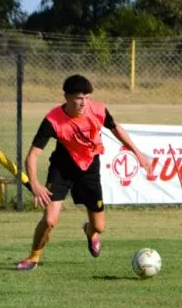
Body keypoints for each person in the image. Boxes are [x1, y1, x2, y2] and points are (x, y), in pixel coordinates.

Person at [15, 74, 150, 270]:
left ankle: (89, 232)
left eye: (87, 97)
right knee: (50, 220)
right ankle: (34, 257)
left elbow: (116, 129)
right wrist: (35, 184)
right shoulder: (53, 120)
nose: (83, 103)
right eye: (78, 98)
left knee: (99, 227)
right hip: (62, 168)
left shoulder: (98, 110)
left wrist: (137, 153)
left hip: (89, 169)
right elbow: (32, 155)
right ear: (67, 97)